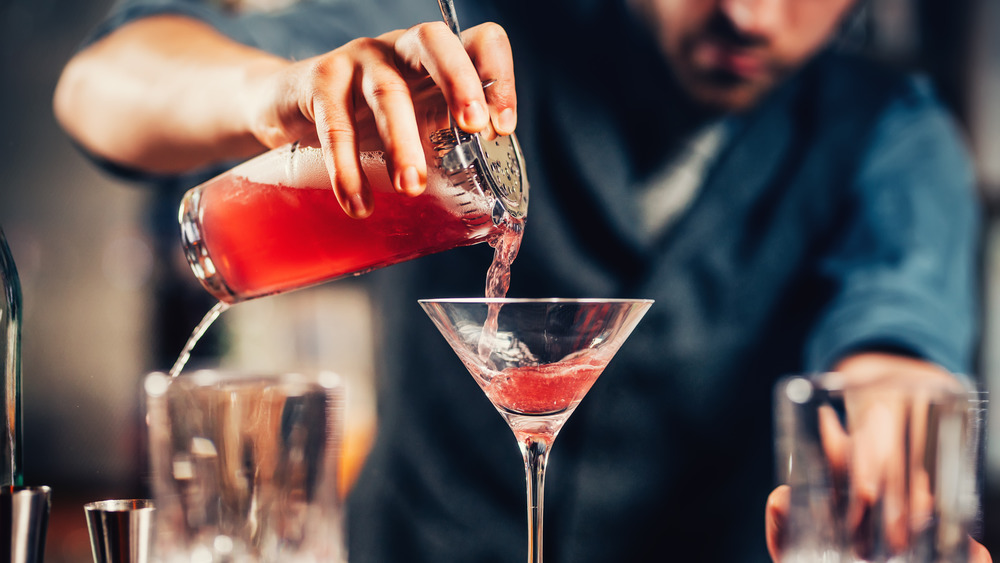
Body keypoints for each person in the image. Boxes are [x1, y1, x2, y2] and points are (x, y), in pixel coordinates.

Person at [53, 0, 989, 561]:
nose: (746, 12)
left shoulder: (891, 136)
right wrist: (264, 93)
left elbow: (896, 341)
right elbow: (98, 87)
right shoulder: (469, 45)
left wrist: (886, 438)